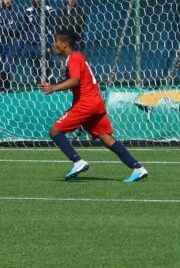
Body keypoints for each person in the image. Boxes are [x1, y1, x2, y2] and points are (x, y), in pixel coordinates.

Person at [38, 28, 148, 182]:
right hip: (95, 102)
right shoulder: (76, 58)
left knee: (55, 131)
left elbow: (75, 80)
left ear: (64, 45)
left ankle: (78, 161)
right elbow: (76, 82)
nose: (53, 44)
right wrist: (58, 85)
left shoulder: (74, 58)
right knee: (106, 138)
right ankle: (137, 167)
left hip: (86, 103)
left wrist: (53, 88)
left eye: (56, 41)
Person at [23, 0, 55, 80]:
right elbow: (25, 28)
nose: (36, 0)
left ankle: (50, 83)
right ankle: (38, 83)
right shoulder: (27, 11)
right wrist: (26, 42)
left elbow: (52, 28)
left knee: (47, 64)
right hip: (31, 44)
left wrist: (49, 44)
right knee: (35, 65)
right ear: (31, 0)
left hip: (44, 43)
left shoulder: (49, 10)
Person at [0, 0, 24, 92]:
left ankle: (6, 86)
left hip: (14, 41)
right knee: (2, 64)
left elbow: (19, 26)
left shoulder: (18, 11)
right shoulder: (1, 12)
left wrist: (6, 28)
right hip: (2, 41)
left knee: (7, 64)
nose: (8, 1)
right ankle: (4, 86)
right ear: (2, 1)